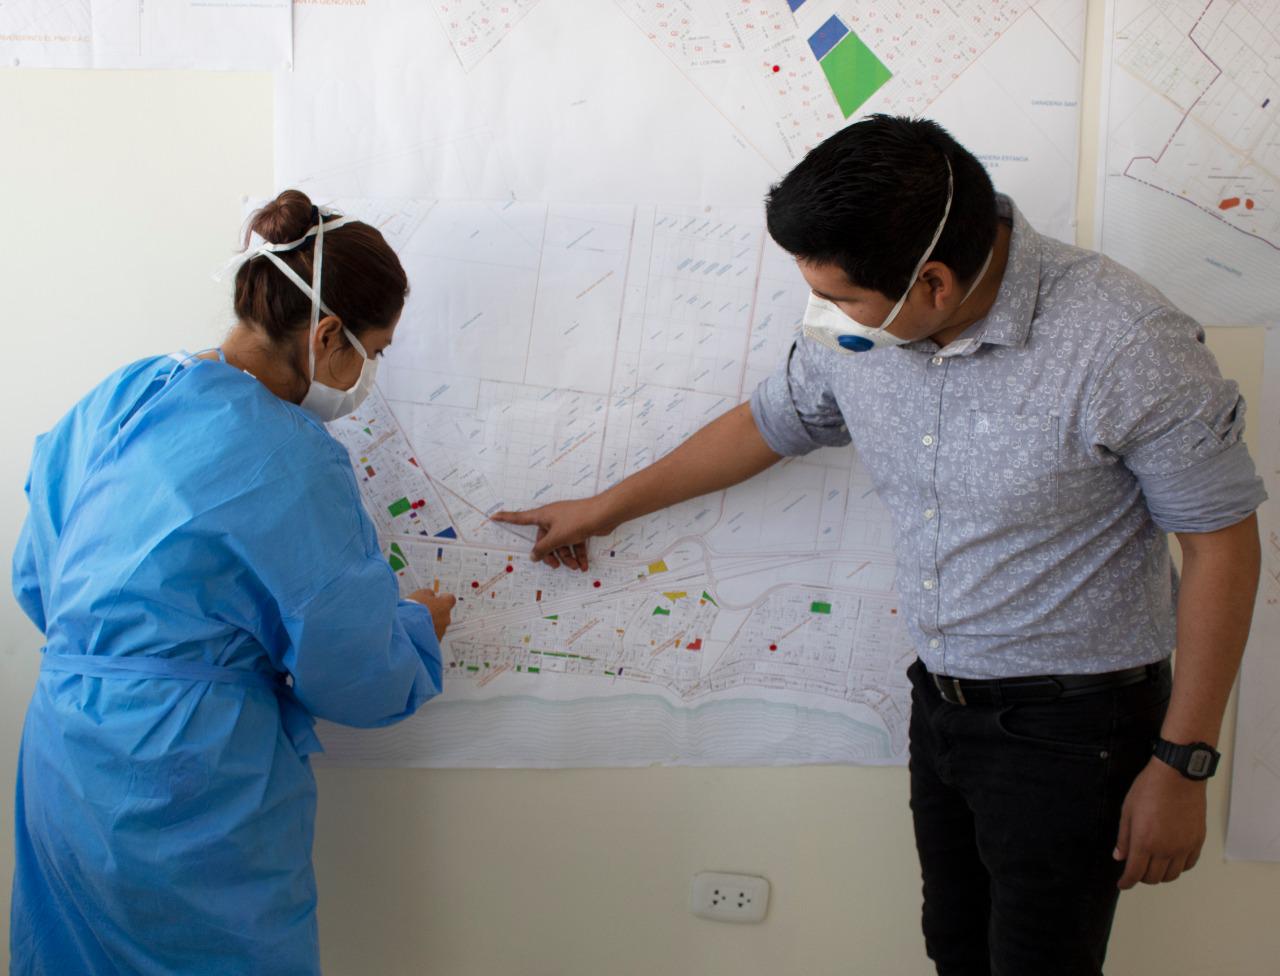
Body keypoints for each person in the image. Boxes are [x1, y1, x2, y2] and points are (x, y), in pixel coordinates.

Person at [494, 116, 1266, 974]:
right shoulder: (858, 331)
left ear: (932, 283)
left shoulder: (1127, 344)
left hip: (1074, 728)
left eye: (841, 298)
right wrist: (608, 506)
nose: (822, 316)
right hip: (939, 703)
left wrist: (1183, 762)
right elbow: (771, 422)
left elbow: (1222, 547)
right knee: (955, 952)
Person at [10, 189, 456, 975]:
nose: (369, 373)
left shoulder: (123, 392)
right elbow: (355, 673)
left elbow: (36, 574)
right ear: (327, 334)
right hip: (187, 777)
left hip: (66, 750)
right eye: (373, 350)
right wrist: (416, 629)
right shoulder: (291, 457)